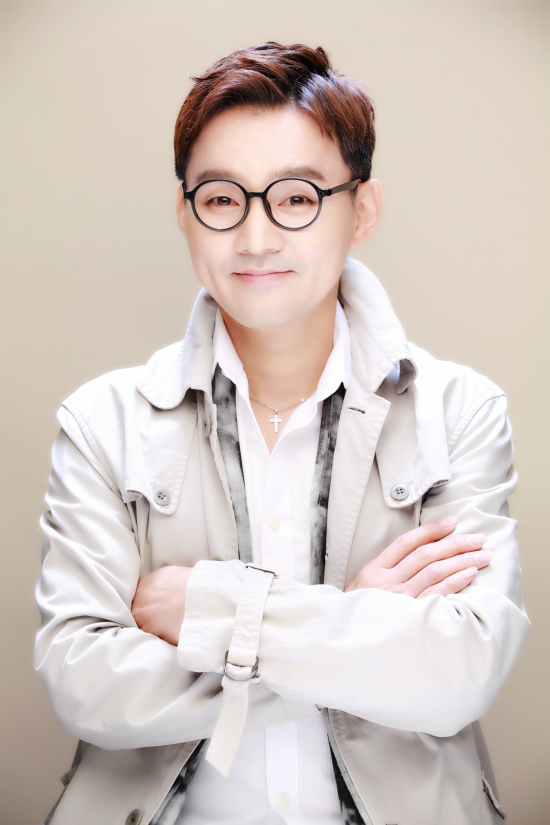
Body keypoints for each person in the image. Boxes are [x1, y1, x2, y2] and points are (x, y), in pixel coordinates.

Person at [35, 42, 529, 825]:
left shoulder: (460, 411)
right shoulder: (103, 422)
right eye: (222, 198)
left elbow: (459, 670)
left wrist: (213, 610)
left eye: (296, 197)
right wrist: (352, 616)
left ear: (361, 210)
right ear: (185, 213)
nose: (256, 236)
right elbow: (85, 683)